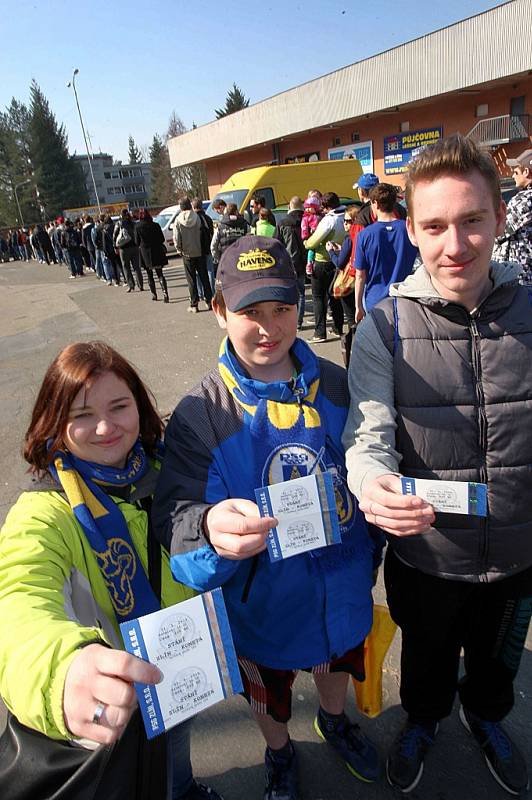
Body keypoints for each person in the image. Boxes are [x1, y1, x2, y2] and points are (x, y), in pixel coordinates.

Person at [153, 235, 380, 800]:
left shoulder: (339, 385)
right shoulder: (201, 414)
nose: (268, 327)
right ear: (219, 310)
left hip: (344, 585)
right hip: (262, 608)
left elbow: (378, 460)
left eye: (281, 308)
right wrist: (211, 533)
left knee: (334, 667)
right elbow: (176, 520)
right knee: (268, 695)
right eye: (250, 311)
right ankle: (278, 752)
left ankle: (334, 721)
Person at [343, 134, 532, 797]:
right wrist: (370, 485)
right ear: (413, 231)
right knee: (425, 660)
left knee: (493, 665)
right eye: (435, 226)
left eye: (472, 220)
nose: (455, 245)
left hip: (518, 550)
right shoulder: (384, 327)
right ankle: (422, 721)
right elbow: (366, 433)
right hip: (427, 557)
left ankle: (485, 718)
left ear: (499, 219)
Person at [0, 341, 222, 800]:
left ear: (139, 407)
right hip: (111, 691)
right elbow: (17, 597)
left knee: (177, 747)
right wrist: (60, 670)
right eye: (81, 414)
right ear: (55, 423)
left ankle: (182, 788)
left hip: (183, 663)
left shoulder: (170, 469)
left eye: (119, 406)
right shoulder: (45, 512)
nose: (104, 427)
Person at [353, 183, 418, 319]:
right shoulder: (409, 230)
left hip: (375, 299)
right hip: (405, 296)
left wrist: (358, 306)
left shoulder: (365, 235)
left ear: (375, 203)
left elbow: (360, 276)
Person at [303, 191, 346, 343]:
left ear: (327, 207)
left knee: (318, 297)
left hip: (322, 261)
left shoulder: (329, 220)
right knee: (335, 296)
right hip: (339, 259)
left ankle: (319, 332)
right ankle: (338, 327)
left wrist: (307, 243)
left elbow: (313, 242)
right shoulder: (345, 215)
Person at [493, 147, 532, 285]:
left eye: (516, 172)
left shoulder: (526, 199)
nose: (512, 176)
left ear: (526, 172)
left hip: (521, 278)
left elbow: (499, 231)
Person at [325, 205, 361, 330]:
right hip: (361, 280)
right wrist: (341, 249)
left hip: (350, 281)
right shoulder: (361, 235)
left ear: (355, 221)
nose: (345, 223)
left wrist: (330, 251)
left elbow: (339, 263)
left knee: (351, 317)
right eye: (344, 221)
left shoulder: (349, 238)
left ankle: (354, 345)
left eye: (348, 221)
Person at [173, 197, 212, 313]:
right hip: (199, 251)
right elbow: (205, 232)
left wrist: (179, 249)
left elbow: (176, 237)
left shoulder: (178, 220)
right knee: (204, 277)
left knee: (191, 280)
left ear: (181, 207)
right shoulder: (198, 217)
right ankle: (209, 301)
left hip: (187, 253)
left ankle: (194, 304)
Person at [275, 195, 307, 329]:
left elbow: (276, 242)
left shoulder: (282, 223)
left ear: (289, 207)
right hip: (304, 262)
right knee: (301, 293)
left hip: (287, 263)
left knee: (289, 294)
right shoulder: (308, 220)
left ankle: (292, 321)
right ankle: (299, 321)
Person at [136, 209, 169, 303]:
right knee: (160, 274)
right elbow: (162, 239)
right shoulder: (156, 225)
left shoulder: (137, 227)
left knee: (149, 275)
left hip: (145, 253)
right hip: (157, 251)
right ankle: (165, 294)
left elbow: (136, 241)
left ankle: (154, 294)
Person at [210, 202, 248, 269]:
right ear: (236, 212)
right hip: (242, 260)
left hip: (226, 260)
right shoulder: (245, 225)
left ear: (226, 212)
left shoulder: (220, 226)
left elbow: (213, 246)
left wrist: (220, 258)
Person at [114, 208, 143, 293]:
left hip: (124, 248)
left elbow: (115, 236)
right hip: (134, 247)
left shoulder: (119, 224)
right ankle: (140, 285)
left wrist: (115, 247)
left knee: (126, 267)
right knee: (137, 267)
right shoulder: (133, 223)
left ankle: (131, 285)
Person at [192, 197, 215, 295]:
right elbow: (212, 233)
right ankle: (212, 291)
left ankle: (201, 293)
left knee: (198, 272)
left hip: (197, 249)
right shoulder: (208, 218)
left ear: (193, 206)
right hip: (208, 247)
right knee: (210, 271)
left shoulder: (192, 219)